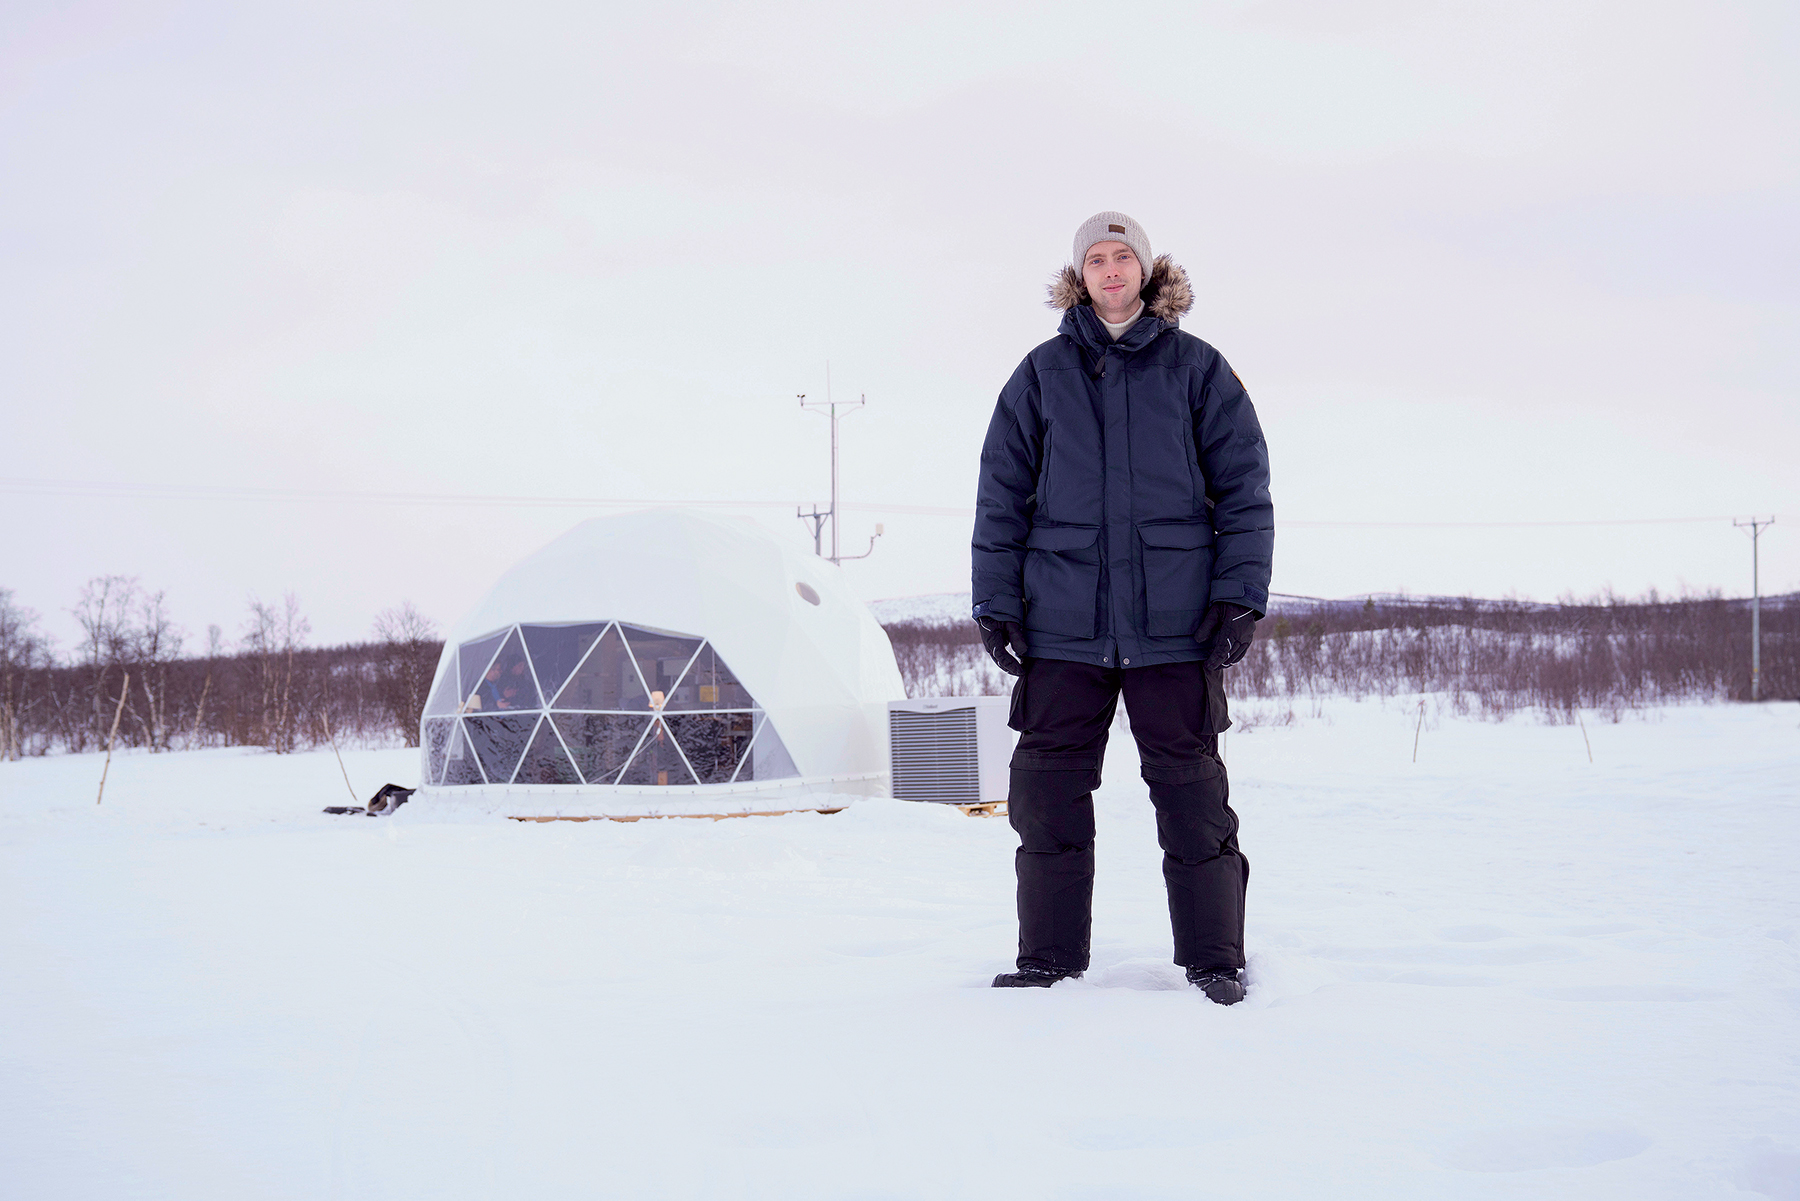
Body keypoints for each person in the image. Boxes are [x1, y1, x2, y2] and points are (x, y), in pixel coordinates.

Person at [971, 212, 1273, 1004]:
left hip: (1174, 626)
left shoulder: (1199, 370)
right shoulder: (1040, 376)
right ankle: (1048, 958)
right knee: (1045, 793)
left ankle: (1215, 958)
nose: (1111, 270)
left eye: (1123, 257)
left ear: (1146, 269)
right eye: (1096, 259)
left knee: (1192, 793)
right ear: (1080, 274)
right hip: (1062, 625)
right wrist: (996, 602)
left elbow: (1244, 491)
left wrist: (1238, 595)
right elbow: (1000, 495)